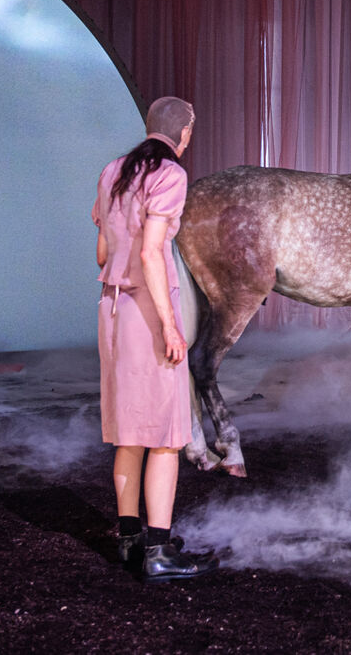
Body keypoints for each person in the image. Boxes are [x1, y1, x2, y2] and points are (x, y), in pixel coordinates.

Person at [91, 96, 218, 581]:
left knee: (128, 432)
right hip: (147, 312)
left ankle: (130, 540)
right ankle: (159, 551)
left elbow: (102, 252)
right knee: (165, 435)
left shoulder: (112, 172)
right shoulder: (170, 175)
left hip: (112, 311)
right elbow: (149, 254)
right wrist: (169, 324)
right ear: (183, 134)